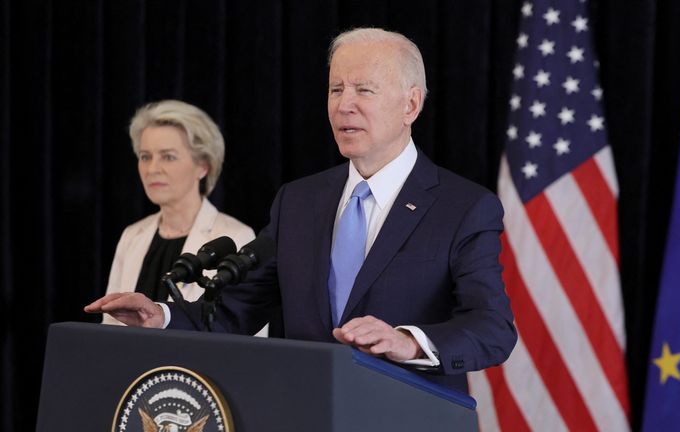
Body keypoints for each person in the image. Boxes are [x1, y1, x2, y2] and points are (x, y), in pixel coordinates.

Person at [87, 29, 516, 392]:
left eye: (363, 90)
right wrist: (160, 315)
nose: (344, 104)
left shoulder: (464, 207)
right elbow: (236, 310)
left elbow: (492, 328)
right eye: (336, 89)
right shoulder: (299, 201)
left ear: (411, 105)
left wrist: (408, 341)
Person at [102, 100, 259, 332]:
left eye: (168, 157)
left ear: (203, 166)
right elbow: (110, 326)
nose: (152, 168)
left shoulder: (235, 236)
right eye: (145, 157)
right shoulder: (132, 235)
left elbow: (246, 331)